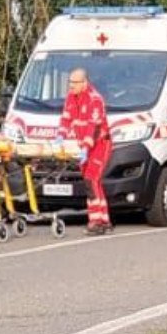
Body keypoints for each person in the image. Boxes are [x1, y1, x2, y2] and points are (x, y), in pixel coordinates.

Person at [57, 66, 113, 234]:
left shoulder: (94, 99)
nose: (71, 86)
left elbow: (93, 127)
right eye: (70, 82)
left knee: (91, 179)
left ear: (84, 82)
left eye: (75, 83)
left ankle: (96, 221)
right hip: (84, 145)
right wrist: (60, 136)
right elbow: (66, 118)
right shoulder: (71, 97)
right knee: (93, 182)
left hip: (100, 144)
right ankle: (104, 220)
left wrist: (86, 148)